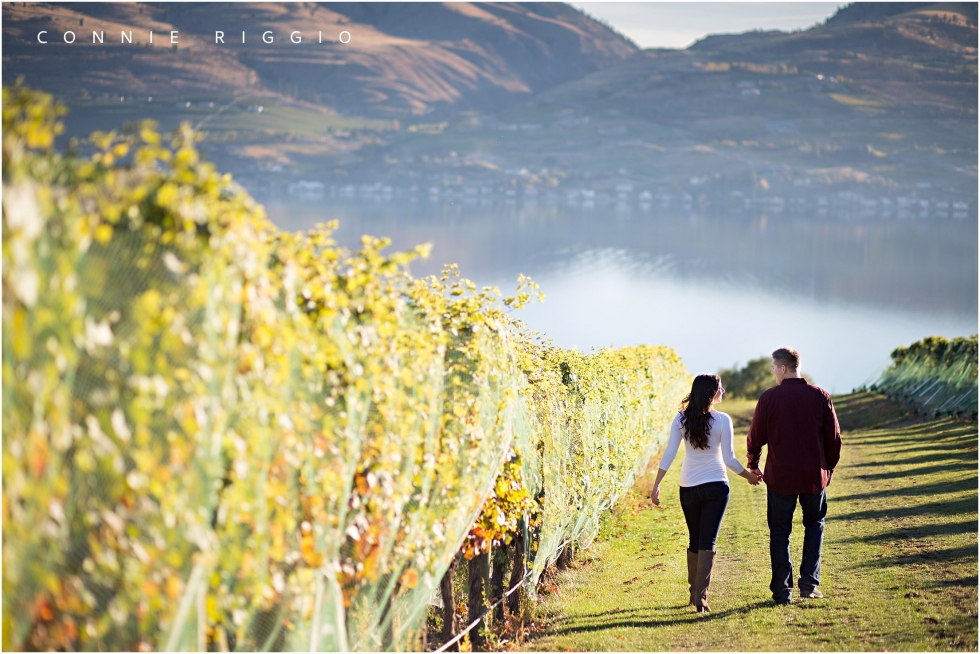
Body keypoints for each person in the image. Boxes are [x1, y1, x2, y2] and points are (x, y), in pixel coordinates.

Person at [651, 374, 762, 613]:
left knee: (694, 538)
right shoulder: (723, 420)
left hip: (688, 486)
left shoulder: (681, 419)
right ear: (712, 393)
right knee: (707, 540)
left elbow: (670, 453)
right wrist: (749, 476)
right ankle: (700, 598)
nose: (723, 391)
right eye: (720, 388)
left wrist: (657, 483)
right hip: (716, 486)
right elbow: (729, 460)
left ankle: (695, 594)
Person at [747, 347, 841, 605]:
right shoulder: (821, 396)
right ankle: (809, 584)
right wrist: (827, 469)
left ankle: (781, 591)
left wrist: (753, 463)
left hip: (781, 478)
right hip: (813, 477)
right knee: (814, 526)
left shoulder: (769, 398)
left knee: (779, 532)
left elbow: (755, 437)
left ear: (784, 368)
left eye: (773, 367)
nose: (772, 372)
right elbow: (834, 440)